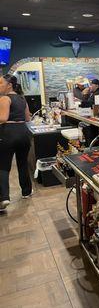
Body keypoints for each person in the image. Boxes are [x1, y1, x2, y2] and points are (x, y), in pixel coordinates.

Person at [0, 74, 32, 211]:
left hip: (8, 132)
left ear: (9, 85)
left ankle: (3, 198)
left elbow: (3, 118)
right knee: (23, 163)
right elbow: (28, 118)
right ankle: (26, 191)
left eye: (0, 83)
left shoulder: (5, 98)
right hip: (23, 133)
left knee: (3, 166)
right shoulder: (22, 98)